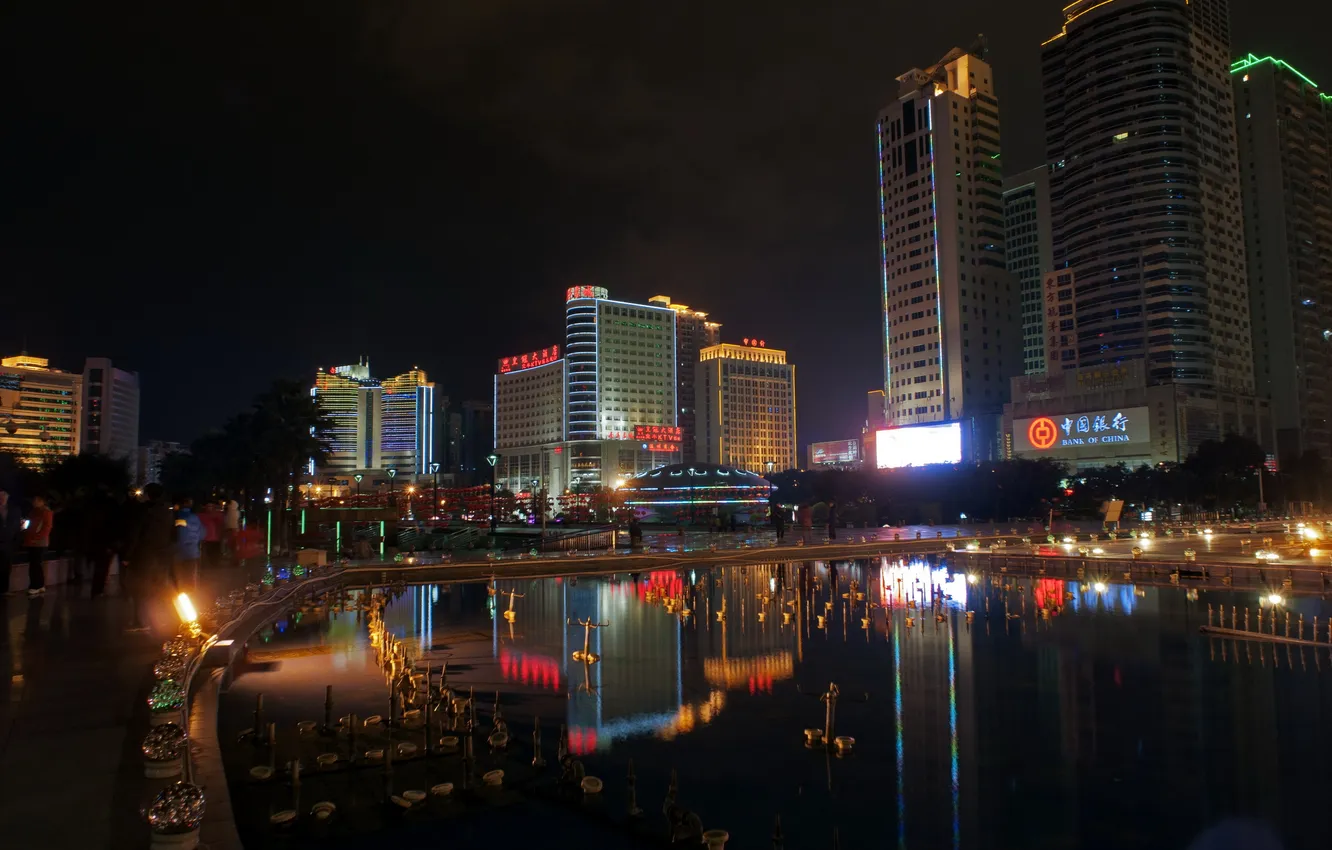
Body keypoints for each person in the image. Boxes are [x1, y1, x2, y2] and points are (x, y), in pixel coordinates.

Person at [124, 484, 175, 631]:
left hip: (144, 555)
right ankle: (159, 620)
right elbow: (173, 534)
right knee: (158, 589)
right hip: (162, 555)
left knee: (140, 589)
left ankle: (140, 622)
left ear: (147, 495)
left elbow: (135, 534)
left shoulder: (143, 511)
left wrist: (127, 555)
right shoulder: (168, 511)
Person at [23, 495, 54, 596]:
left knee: (35, 564)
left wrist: (36, 538)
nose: (34, 502)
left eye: (37, 500)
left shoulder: (46, 512)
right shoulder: (33, 512)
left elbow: (47, 528)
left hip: (39, 543)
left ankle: (35, 586)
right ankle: (39, 585)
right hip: (31, 541)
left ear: (42, 501)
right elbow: (29, 524)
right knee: (35, 564)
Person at [173, 498, 205, 590]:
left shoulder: (175, 517)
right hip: (192, 550)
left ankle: (179, 591)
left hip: (177, 550)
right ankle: (190, 591)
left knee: (178, 574)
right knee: (191, 573)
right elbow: (202, 534)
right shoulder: (195, 518)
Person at [0, 490, 22, 595]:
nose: (2, 498)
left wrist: (16, 541)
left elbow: (17, 526)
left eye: (4, 496)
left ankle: (4, 589)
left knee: (6, 566)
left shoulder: (14, 510)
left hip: (8, 542)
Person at [198, 501, 223, 568]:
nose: (210, 508)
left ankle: (214, 564)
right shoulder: (202, 515)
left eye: (211, 506)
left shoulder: (217, 514)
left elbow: (221, 523)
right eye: (208, 506)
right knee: (208, 552)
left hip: (215, 538)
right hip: (206, 538)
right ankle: (208, 564)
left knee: (214, 552)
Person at [222, 497, 241, 562]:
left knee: (229, 543)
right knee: (234, 544)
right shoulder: (237, 512)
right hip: (235, 530)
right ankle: (235, 557)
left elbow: (226, 521)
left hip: (229, 530)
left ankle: (230, 555)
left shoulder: (228, 512)